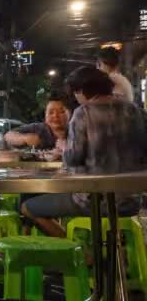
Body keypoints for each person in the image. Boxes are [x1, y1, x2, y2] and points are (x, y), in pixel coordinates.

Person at [21, 66, 147, 237]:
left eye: (75, 93)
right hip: (132, 201)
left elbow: (73, 159)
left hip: (92, 200)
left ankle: (81, 253)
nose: (76, 98)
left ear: (81, 90)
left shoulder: (83, 113)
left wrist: (64, 150)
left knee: (28, 207)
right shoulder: (134, 110)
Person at [4, 96, 70, 150]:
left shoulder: (76, 130)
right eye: (51, 112)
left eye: (61, 112)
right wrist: (24, 138)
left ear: (69, 113)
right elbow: (8, 136)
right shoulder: (38, 128)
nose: (55, 116)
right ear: (45, 115)